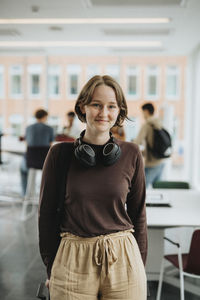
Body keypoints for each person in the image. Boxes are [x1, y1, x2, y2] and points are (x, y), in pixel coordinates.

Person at [39, 75, 147, 300]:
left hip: (123, 257)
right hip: (72, 258)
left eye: (111, 106)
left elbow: (138, 214)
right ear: (83, 107)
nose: (103, 113)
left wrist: (139, 267)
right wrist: (52, 267)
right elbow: (46, 215)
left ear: (119, 111)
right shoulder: (59, 155)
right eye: (96, 104)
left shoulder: (132, 153)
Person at [20, 109, 54, 196]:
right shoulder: (49, 129)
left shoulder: (28, 128)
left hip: (30, 162)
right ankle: (46, 194)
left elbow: (27, 143)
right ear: (45, 117)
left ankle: (25, 194)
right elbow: (50, 145)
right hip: (45, 163)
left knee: (23, 170)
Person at [134, 102, 165, 188]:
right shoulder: (159, 122)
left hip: (152, 163)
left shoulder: (147, 125)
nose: (143, 115)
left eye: (143, 112)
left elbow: (137, 142)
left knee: (141, 188)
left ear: (146, 111)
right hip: (161, 161)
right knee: (158, 188)